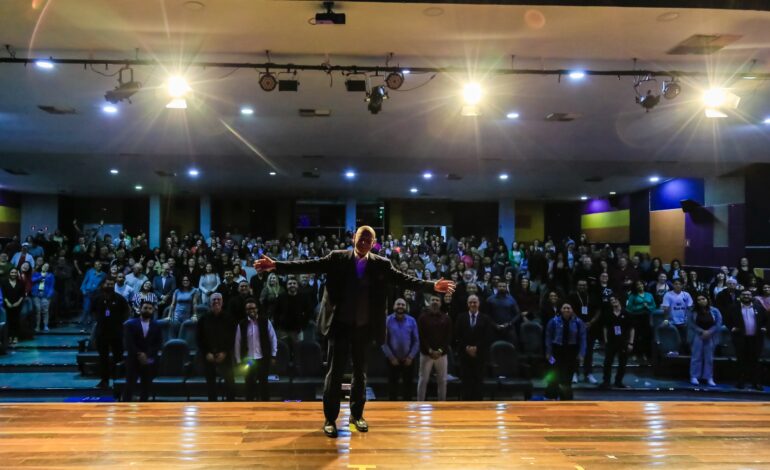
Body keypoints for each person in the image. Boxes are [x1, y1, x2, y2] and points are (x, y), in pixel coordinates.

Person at [254, 225, 454, 438]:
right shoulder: (337, 258)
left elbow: (405, 280)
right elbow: (308, 265)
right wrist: (276, 266)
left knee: (360, 374)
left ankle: (356, 416)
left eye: (369, 239)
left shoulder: (382, 265)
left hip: (364, 329)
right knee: (335, 374)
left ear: (374, 243)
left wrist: (432, 286)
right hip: (339, 326)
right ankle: (330, 419)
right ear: (354, 239)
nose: (364, 242)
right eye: (361, 237)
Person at [234, 298, 277, 401]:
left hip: (263, 358)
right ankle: (250, 407)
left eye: (253, 308)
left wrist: (273, 355)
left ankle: (265, 406)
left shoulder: (265, 321)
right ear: (246, 311)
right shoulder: (242, 324)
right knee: (249, 383)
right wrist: (239, 360)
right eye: (248, 309)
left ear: (257, 309)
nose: (251, 310)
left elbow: (273, 338)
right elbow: (237, 343)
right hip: (249, 360)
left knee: (264, 383)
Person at [725, 290, 767, 390]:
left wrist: (765, 327)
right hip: (740, 338)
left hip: (756, 339)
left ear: (752, 296)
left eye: (748, 295)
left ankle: (756, 383)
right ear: (740, 296)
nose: (746, 296)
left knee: (755, 361)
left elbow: (766, 320)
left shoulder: (759, 307)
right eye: (744, 295)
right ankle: (741, 382)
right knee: (741, 361)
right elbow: (727, 319)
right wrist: (731, 327)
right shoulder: (734, 308)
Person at [197, 293, 236, 401]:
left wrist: (224, 352)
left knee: (230, 382)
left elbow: (232, 338)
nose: (216, 301)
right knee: (210, 384)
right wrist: (206, 353)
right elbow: (199, 339)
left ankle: (231, 407)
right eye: (214, 299)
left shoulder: (229, 318)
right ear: (210, 302)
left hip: (225, 355)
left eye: (219, 299)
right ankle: (212, 406)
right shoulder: (203, 319)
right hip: (208, 356)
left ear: (222, 302)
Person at [92, 277, 129, 388]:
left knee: (118, 357)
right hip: (102, 332)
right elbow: (92, 311)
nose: (110, 286)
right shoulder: (97, 298)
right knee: (103, 357)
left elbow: (126, 313)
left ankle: (118, 380)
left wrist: (119, 323)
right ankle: (104, 380)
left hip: (116, 332)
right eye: (108, 284)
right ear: (103, 285)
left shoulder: (120, 298)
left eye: (112, 284)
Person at [544, 302, 587, 400]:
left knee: (568, 377)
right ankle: (551, 396)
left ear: (572, 310)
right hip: (556, 351)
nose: (566, 310)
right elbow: (548, 337)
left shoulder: (578, 322)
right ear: (561, 310)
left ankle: (565, 398)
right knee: (553, 374)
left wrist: (581, 354)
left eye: (568, 308)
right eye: (564, 308)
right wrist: (548, 352)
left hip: (571, 352)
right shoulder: (553, 321)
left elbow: (583, 338)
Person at [454, 294, 493, 400]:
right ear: (467, 304)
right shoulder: (461, 317)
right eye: (470, 302)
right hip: (464, 355)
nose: (473, 304)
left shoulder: (486, 318)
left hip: (479, 355)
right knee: (466, 381)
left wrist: (476, 348)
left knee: (478, 380)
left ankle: (478, 405)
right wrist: (466, 347)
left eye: (475, 302)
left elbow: (488, 337)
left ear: (479, 303)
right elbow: (457, 336)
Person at [123, 300, 163, 401]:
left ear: (153, 310)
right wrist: (139, 354)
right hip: (133, 358)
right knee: (129, 385)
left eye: (150, 308)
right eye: (145, 308)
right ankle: (124, 407)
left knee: (146, 386)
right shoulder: (130, 324)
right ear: (140, 309)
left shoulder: (157, 325)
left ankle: (144, 407)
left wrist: (147, 355)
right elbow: (129, 342)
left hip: (149, 360)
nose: (147, 310)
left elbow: (158, 343)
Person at [417, 294, 453, 402]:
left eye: (437, 300)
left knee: (442, 380)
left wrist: (440, 350)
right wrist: (429, 350)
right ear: (429, 302)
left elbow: (448, 336)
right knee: (423, 380)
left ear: (441, 303)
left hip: (442, 355)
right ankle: (420, 403)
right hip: (426, 354)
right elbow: (421, 336)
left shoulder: (446, 318)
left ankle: (442, 404)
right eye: (433, 300)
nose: (435, 302)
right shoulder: (422, 317)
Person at [382, 298, 419, 401]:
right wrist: (391, 357)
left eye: (403, 305)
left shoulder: (412, 320)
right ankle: (392, 413)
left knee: (408, 389)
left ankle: (407, 413)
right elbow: (383, 342)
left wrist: (410, 357)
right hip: (392, 360)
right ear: (394, 306)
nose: (400, 306)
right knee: (392, 389)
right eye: (398, 304)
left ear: (406, 307)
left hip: (408, 360)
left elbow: (416, 341)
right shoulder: (387, 320)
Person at [688, 294, 722, 387]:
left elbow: (718, 323)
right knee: (696, 357)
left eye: (703, 299)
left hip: (711, 336)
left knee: (709, 358)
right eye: (699, 299)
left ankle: (709, 377)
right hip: (698, 335)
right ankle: (694, 376)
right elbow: (691, 323)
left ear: (707, 299)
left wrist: (709, 332)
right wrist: (702, 332)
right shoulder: (692, 311)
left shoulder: (715, 310)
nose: (701, 301)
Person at [600, 296, 634, 389]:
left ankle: (618, 381)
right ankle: (606, 382)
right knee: (607, 362)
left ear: (619, 300)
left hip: (623, 341)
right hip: (611, 341)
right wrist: (606, 340)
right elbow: (605, 328)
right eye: (611, 300)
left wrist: (631, 342)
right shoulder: (608, 314)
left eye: (615, 299)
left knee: (622, 363)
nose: (613, 301)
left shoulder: (626, 313)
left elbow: (631, 329)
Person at [625, 280, 656, 365]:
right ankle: (635, 353)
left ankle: (645, 353)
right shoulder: (632, 296)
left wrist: (648, 307)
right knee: (636, 336)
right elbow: (629, 308)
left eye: (641, 284)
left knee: (646, 336)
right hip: (636, 318)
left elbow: (654, 306)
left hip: (647, 317)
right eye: (637, 285)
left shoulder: (649, 294)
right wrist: (642, 306)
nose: (639, 286)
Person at [661, 279, 693, 351]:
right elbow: (666, 308)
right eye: (675, 284)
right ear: (673, 285)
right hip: (672, 321)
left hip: (684, 321)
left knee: (684, 340)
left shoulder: (686, 294)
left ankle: (683, 355)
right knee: (673, 340)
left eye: (679, 284)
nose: (677, 285)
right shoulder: (668, 294)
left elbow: (690, 307)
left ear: (682, 285)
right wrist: (666, 320)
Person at [485, 280, 520, 344]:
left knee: (510, 348)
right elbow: (486, 315)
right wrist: (494, 325)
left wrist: (509, 324)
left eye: (504, 286)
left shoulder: (511, 299)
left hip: (509, 328)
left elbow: (517, 314)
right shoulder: (490, 299)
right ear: (497, 287)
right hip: (494, 328)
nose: (502, 288)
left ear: (506, 288)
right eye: (500, 286)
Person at [2, 268, 27, 346]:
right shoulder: (4, 282)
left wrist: (18, 303)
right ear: (9, 273)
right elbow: (3, 294)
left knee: (16, 321)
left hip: (18, 305)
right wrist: (7, 302)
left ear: (17, 274)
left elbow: (22, 294)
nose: (13, 274)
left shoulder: (21, 283)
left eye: (15, 273)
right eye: (12, 272)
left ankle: (15, 337)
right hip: (7, 304)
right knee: (8, 321)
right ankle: (9, 337)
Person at [80, 260, 106, 327]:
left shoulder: (104, 275)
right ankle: (83, 325)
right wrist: (83, 290)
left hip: (97, 294)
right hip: (88, 293)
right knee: (86, 309)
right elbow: (84, 282)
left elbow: (103, 285)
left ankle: (93, 325)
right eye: (96, 264)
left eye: (99, 264)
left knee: (95, 310)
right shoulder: (89, 272)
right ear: (94, 266)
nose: (98, 265)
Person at [31, 262, 55, 332]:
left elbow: (51, 286)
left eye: (47, 266)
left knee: (45, 310)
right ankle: (37, 326)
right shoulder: (36, 274)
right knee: (37, 310)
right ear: (42, 266)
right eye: (44, 266)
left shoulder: (51, 275)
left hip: (46, 295)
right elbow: (32, 280)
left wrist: (49, 295)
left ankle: (45, 325)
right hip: (36, 294)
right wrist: (41, 276)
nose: (45, 267)